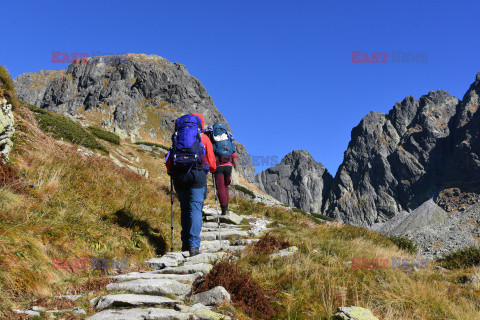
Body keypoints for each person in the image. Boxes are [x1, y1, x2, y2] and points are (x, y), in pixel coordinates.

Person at [165, 113, 216, 256]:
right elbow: (212, 164)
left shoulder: (177, 136)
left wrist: (172, 172)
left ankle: (185, 243)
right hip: (197, 175)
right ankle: (194, 247)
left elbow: (169, 158)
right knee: (195, 209)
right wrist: (209, 169)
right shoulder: (204, 138)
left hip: (179, 176)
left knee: (185, 208)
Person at [206, 123, 237, 216]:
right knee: (226, 186)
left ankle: (224, 209)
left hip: (218, 166)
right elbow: (234, 154)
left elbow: (211, 152)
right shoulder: (228, 138)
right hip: (228, 166)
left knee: (220, 187)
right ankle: (226, 208)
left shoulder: (213, 137)